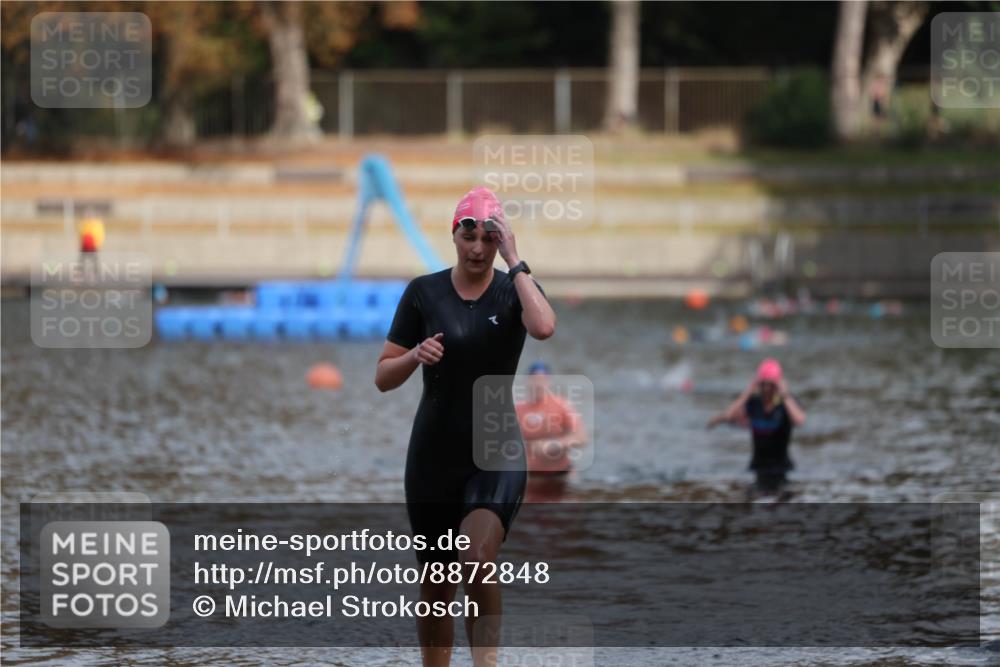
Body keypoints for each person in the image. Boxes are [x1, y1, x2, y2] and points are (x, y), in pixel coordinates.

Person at [375, 186, 556, 667]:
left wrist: (516, 261)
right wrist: (415, 354)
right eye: (469, 235)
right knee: (436, 579)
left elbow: (543, 327)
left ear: (501, 241)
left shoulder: (512, 288)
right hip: (433, 455)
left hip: (495, 446)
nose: (478, 247)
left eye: (489, 238)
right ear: (454, 234)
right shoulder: (423, 292)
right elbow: (382, 377)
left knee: (476, 559)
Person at [706, 358, 806, 497]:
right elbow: (730, 415)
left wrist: (784, 394)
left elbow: (800, 420)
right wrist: (748, 391)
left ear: (777, 385)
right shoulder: (754, 403)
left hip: (782, 468)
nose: (766, 389)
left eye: (771, 385)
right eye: (763, 384)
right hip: (757, 467)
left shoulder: (785, 404)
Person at [515, 361, 587, 476]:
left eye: (542, 380)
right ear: (527, 381)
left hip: (560, 473)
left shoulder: (562, 405)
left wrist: (555, 444)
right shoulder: (519, 409)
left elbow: (582, 438)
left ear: (549, 382)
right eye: (535, 379)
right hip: (531, 475)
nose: (538, 384)